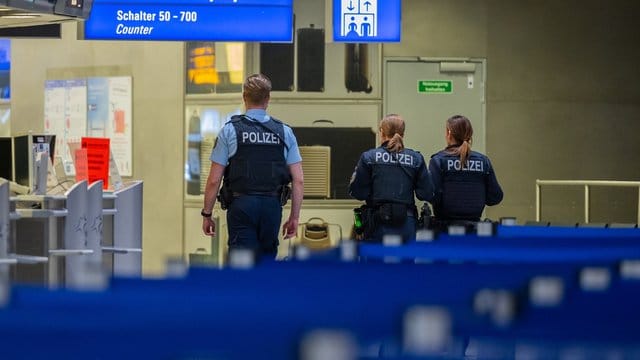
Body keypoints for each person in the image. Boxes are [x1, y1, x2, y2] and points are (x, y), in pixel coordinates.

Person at [201, 74, 304, 259]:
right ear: (268, 99)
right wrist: (294, 218)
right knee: (266, 265)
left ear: (244, 97)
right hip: (272, 206)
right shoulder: (285, 132)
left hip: (241, 206)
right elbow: (299, 180)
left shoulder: (230, 130)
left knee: (242, 266)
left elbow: (214, 179)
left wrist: (207, 214)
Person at [348, 114, 434, 242]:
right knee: (405, 261)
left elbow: (358, 192)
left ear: (382, 132)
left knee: (376, 261)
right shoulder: (416, 159)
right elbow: (426, 193)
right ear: (403, 134)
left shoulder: (369, 157)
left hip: (377, 225)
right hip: (407, 223)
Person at [428, 114, 503, 226]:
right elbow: (495, 197)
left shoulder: (439, 160)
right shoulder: (483, 161)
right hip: (475, 230)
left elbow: (432, 195)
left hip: (445, 230)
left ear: (449, 133)